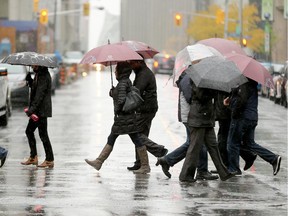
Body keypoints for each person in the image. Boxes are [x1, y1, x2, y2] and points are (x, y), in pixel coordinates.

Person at [85, 62, 157, 174]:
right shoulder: (125, 82)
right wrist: (114, 93)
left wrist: (115, 98)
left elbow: (121, 101)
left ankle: (145, 165)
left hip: (124, 118)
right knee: (121, 138)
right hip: (127, 118)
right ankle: (99, 162)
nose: (114, 72)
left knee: (129, 139)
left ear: (121, 72)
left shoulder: (122, 84)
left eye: (116, 70)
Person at [156, 70, 218, 180]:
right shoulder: (188, 78)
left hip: (191, 115)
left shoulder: (189, 76)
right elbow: (192, 98)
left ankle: (168, 160)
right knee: (197, 144)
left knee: (193, 143)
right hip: (190, 116)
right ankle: (201, 171)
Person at [179, 80, 234, 182]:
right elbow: (201, 96)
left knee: (213, 146)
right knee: (194, 147)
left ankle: (224, 173)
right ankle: (185, 175)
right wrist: (214, 92)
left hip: (207, 118)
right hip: (199, 118)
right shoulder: (198, 81)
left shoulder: (208, 82)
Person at [226, 78, 281, 175]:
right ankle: (273, 158)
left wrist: (230, 103)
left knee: (232, 143)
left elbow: (240, 102)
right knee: (250, 144)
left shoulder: (243, 84)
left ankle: (233, 168)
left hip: (241, 118)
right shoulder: (252, 84)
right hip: (252, 118)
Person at [126, 59, 168, 171]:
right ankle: (140, 163)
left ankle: (158, 150)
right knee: (141, 134)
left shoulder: (144, 74)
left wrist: (123, 89)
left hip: (146, 109)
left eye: (132, 63)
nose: (131, 65)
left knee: (137, 134)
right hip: (147, 108)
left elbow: (137, 90)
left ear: (139, 62)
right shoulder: (141, 73)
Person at [21, 65, 54, 168]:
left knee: (39, 134)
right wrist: (30, 81)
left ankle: (48, 159)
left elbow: (39, 95)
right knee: (35, 132)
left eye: (33, 65)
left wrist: (31, 110)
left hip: (41, 111)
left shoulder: (43, 76)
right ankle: (35, 157)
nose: (32, 66)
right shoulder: (39, 74)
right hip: (39, 110)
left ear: (38, 65)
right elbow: (36, 89)